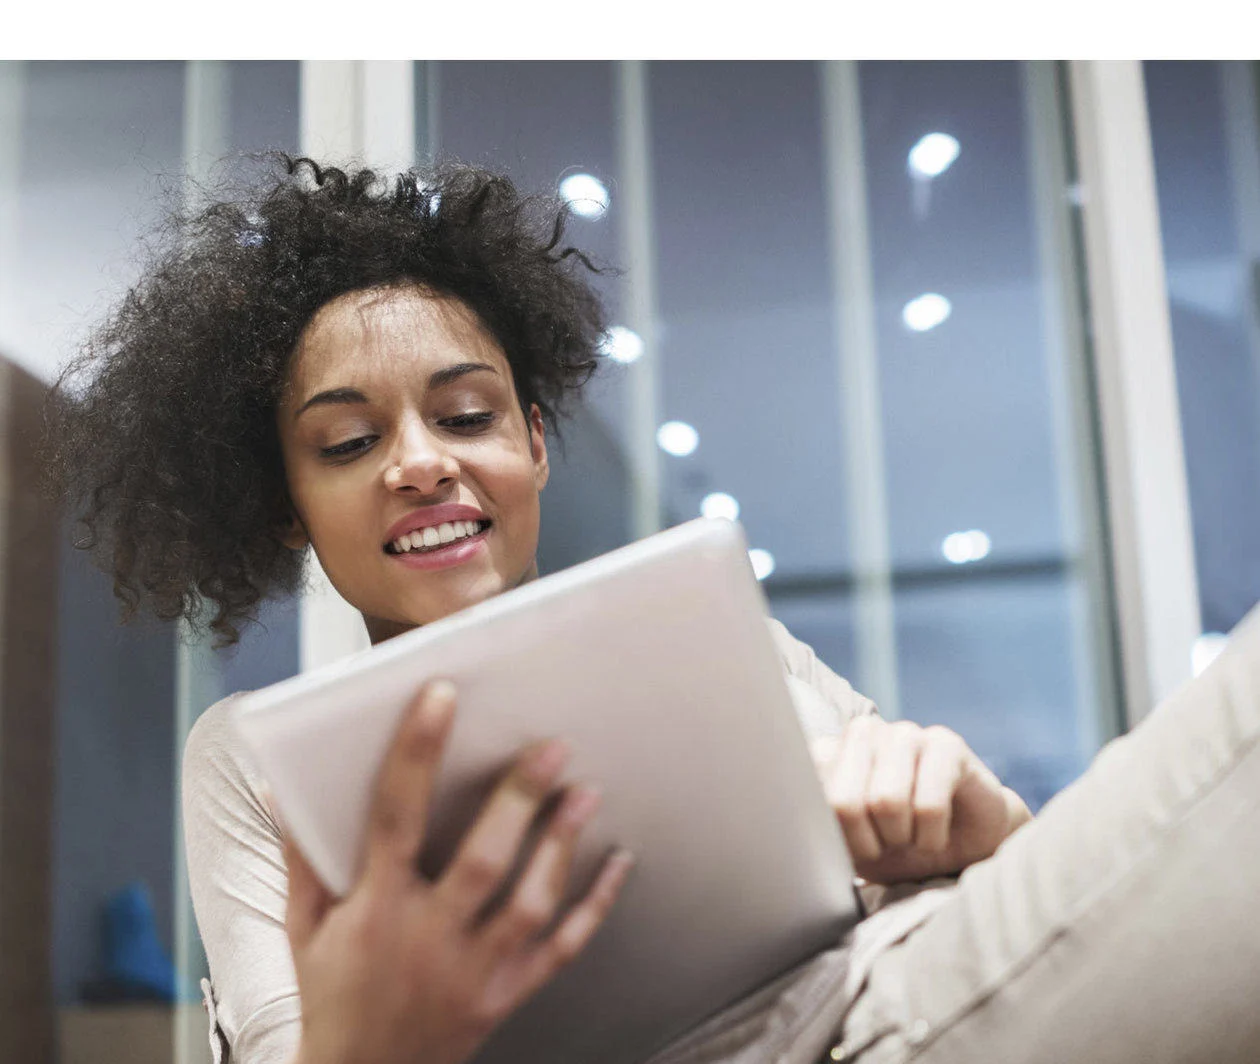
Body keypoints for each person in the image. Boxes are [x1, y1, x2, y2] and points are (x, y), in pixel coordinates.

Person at [46, 156, 1260, 1064]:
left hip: (913, 988)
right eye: (351, 440)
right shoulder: (251, 757)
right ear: (285, 508)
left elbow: (1020, 903)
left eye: (466, 416)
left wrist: (977, 821)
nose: (419, 461)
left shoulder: (722, 637)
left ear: (533, 441)